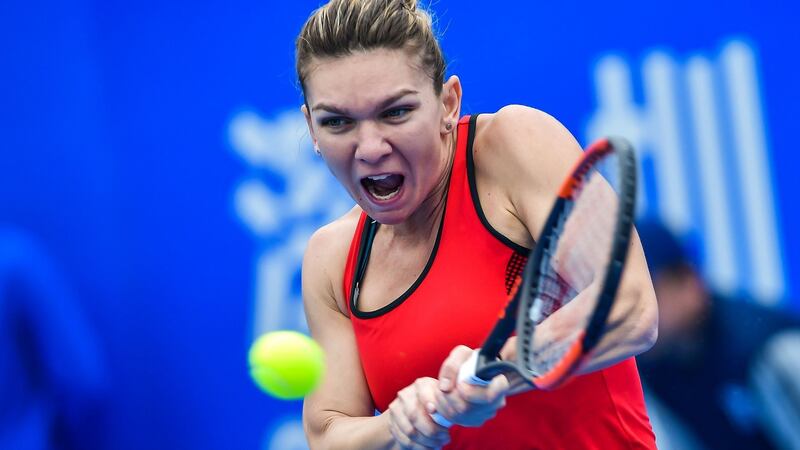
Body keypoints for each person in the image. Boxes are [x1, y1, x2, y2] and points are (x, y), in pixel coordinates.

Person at [296, 1, 659, 448]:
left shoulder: (513, 145)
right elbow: (329, 434)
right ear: (311, 128)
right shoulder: (331, 258)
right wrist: (399, 424)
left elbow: (630, 306)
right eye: (337, 122)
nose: (369, 148)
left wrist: (496, 371)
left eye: (395, 112)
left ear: (448, 103)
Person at [636, 219, 800, 450]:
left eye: (643, 291)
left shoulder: (774, 350)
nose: (630, 310)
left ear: (688, 281)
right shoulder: (649, 370)